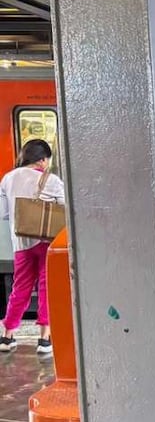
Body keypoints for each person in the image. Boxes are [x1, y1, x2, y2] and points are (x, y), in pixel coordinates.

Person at [0, 139, 65, 355]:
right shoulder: (52, 180)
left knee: (20, 287)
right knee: (47, 287)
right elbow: (64, 208)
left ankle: (7, 336)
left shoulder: (8, 179)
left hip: (21, 242)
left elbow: (4, 213)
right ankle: (44, 340)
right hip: (47, 241)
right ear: (43, 159)